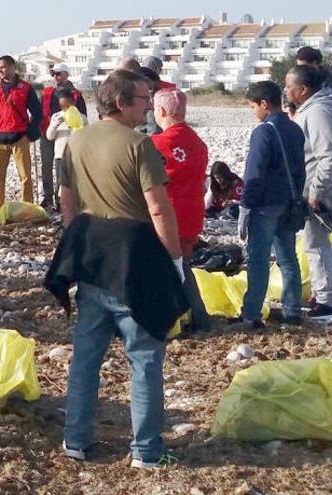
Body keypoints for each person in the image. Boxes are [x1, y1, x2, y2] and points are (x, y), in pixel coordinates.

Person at [49, 69, 186, 468]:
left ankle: (75, 440)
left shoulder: (76, 140)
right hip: (134, 256)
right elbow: (159, 207)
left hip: (92, 254)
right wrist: (175, 261)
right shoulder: (139, 145)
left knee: (86, 355)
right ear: (122, 102)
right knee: (144, 357)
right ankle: (146, 450)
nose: (148, 105)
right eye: (144, 98)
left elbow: (67, 203)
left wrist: (77, 243)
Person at [234, 80, 306, 329]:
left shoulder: (264, 131)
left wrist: (245, 206)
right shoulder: (294, 129)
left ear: (264, 104)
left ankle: (252, 314)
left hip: (265, 205)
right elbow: (300, 170)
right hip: (289, 202)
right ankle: (292, 310)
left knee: (258, 260)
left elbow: (255, 172)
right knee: (288, 259)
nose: (254, 111)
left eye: (253, 106)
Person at [150, 87, 211, 332]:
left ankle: (179, 318)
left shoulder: (157, 144)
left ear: (161, 111)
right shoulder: (197, 142)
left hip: (169, 215)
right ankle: (196, 316)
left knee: (170, 267)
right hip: (192, 212)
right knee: (182, 265)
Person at [286, 65, 332, 320]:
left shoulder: (317, 113)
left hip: (321, 188)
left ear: (302, 90)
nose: (285, 90)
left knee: (316, 244)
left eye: (289, 86)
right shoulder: (315, 108)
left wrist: (315, 192)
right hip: (319, 185)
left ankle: (326, 299)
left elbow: (327, 156)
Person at [0, 55, 42, 208]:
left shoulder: (26, 88)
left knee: (25, 177)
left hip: (19, 138)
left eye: (2, 67)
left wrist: (29, 135)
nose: (0, 71)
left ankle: (27, 208)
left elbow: (37, 113)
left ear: (12, 67)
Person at [39, 63, 87, 208]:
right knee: (46, 166)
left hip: (68, 135)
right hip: (48, 131)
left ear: (66, 74)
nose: (55, 77)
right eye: (53, 74)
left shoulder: (76, 94)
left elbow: (83, 115)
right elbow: (40, 112)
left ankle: (61, 198)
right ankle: (47, 197)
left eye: (58, 74)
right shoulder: (47, 92)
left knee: (64, 167)